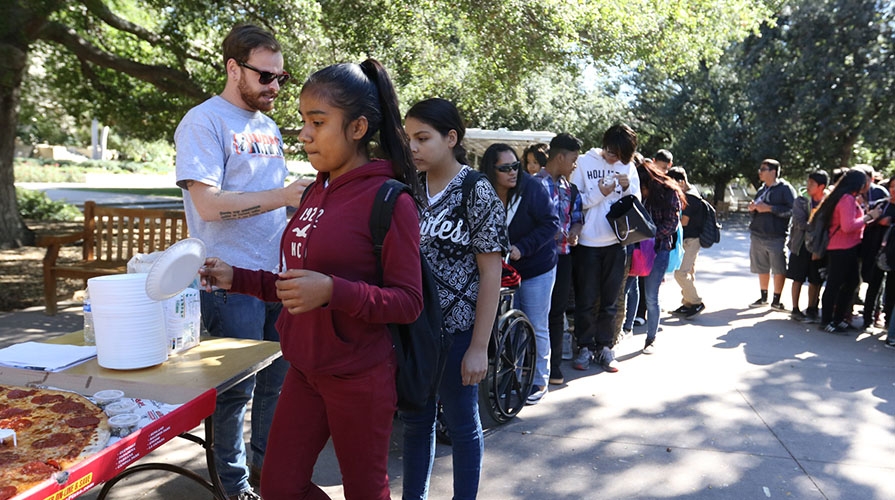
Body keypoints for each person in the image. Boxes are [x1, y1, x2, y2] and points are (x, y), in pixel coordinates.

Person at [200, 58, 425, 500]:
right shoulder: (314, 191)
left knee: (365, 490)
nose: (304, 133)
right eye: (303, 120)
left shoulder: (389, 199)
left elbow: (408, 301)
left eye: (318, 122)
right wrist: (236, 278)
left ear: (357, 128)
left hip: (359, 376)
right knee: (280, 488)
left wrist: (333, 291)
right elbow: (293, 285)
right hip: (302, 368)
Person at [174, 24, 308, 500]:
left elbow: (280, 202)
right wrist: (284, 195)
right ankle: (233, 487)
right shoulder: (203, 122)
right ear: (234, 68)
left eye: (281, 78)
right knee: (236, 393)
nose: (275, 87)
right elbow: (207, 204)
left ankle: (269, 474)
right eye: (266, 77)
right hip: (226, 279)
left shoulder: (267, 127)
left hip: (276, 277)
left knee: (278, 384)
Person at [401, 97, 507, 500]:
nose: (413, 147)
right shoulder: (410, 187)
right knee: (417, 421)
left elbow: (490, 272)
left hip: (460, 331)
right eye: (409, 138)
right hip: (415, 329)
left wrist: (479, 347)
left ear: (451, 138)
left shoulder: (476, 189)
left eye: (423, 138)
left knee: (462, 423)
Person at [481, 143, 560, 403]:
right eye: (505, 168)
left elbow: (552, 224)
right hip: (504, 268)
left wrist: (522, 248)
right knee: (509, 327)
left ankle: (538, 381)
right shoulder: (483, 191)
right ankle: (510, 377)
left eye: (515, 165)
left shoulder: (533, 188)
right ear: (491, 171)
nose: (513, 172)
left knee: (536, 323)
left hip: (537, 265)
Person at [568, 124, 641, 372]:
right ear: (604, 144)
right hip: (588, 242)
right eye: (611, 152)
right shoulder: (584, 162)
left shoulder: (628, 167)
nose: (614, 158)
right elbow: (576, 202)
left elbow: (636, 203)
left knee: (612, 300)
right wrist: (600, 192)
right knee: (586, 300)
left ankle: (605, 347)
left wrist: (626, 188)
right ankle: (585, 347)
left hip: (616, 242)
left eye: (620, 155)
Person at [534, 133, 583, 385]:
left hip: (563, 258)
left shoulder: (570, 188)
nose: (575, 165)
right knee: (535, 314)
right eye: (573, 159)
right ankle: (529, 365)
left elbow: (577, 219)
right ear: (561, 156)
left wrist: (574, 232)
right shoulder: (533, 184)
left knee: (556, 312)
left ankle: (553, 368)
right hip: (538, 258)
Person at [813, 168, 878, 333]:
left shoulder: (846, 198)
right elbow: (848, 226)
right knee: (836, 284)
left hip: (846, 247)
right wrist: (869, 217)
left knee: (851, 282)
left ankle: (837, 319)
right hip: (841, 248)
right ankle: (828, 320)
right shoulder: (846, 199)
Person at [637, 159, 684, 353]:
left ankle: (651, 338)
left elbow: (671, 225)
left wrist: (649, 235)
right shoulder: (642, 194)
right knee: (630, 290)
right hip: (638, 247)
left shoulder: (669, 192)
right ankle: (625, 329)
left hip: (659, 249)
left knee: (651, 295)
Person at [747, 159, 796, 311]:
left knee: (778, 268)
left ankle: (777, 300)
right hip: (758, 234)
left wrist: (770, 209)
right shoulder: (762, 190)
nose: (760, 172)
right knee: (761, 267)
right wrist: (753, 208)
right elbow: (759, 208)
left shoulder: (785, 189)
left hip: (776, 236)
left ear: (773, 171)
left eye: (763, 169)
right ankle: (763, 297)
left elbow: (792, 210)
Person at [785, 170, 828, 323]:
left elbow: (828, 226)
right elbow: (800, 223)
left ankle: (812, 309)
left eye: (812, 184)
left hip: (819, 246)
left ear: (821, 186)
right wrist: (815, 226)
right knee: (797, 277)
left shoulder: (828, 203)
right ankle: (795, 309)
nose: (808, 186)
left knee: (815, 280)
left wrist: (819, 247)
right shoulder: (801, 201)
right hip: (800, 245)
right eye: (808, 182)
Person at [666, 167, 706, 318]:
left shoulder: (691, 198)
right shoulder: (692, 192)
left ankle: (696, 302)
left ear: (681, 182)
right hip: (691, 239)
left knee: (680, 273)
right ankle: (688, 303)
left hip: (690, 241)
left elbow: (683, 222)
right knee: (688, 272)